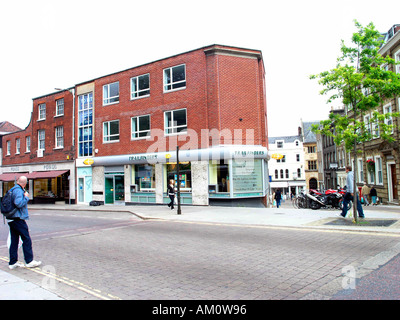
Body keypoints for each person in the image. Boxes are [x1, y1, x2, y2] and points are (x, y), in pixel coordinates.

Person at [7, 176, 42, 270]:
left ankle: (12, 262)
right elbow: (18, 203)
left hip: (11, 219)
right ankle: (29, 261)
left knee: (14, 240)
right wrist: (26, 198)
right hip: (17, 218)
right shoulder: (18, 191)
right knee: (26, 239)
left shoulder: (12, 189)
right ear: (25, 183)